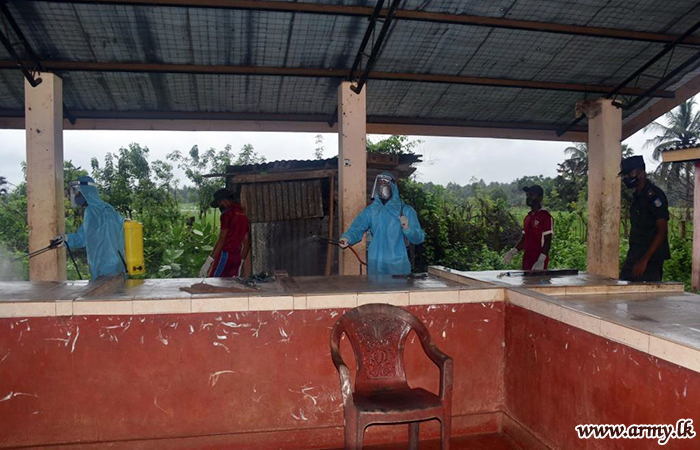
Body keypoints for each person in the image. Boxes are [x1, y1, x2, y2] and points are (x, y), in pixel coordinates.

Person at [338, 172, 424, 276]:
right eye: (380, 183)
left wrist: (408, 228)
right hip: (375, 264)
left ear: (393, 186)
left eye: (385, 183)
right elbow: (357, 228)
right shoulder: (371, 210)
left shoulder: (405, 210)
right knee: (375, 291)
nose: (382, 185)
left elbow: (419, 238)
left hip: (397, 264)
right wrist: (347, 238)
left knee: (399, 292)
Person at [51, 176, 126, 280]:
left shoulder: (99, 212)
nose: (75, 196)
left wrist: (66, 239)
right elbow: (84, 237)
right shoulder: (98, 210)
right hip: (108, 270)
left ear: (86, 191)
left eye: (77, 192)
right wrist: (65, 239)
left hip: (108, 270)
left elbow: (108, 244)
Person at [619, 155, 670, 282]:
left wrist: (645, 260)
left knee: (646, 297)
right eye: (624, 175)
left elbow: (662, 230)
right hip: (636, 253)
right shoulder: (637, 196)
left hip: (650, 258)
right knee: (625, 289)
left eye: (629, 174)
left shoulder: (654, 196)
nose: (626, 178)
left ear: (641, 173)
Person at [199, 188, 251, 278]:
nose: (220, 206)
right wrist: (241, 261)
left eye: (219, 203)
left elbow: (222, 239)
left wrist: (208, 262)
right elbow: (246, 241)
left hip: (225, 255)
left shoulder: (227, 215)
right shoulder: (243, 215)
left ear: (223, 201)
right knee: (230, 285)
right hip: (237, 257)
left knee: (213, 282)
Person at [503, 185, 553, 270]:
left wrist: (541, 260)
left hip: (538, 259)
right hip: (527, 259)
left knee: (536, 282)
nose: (528, 198)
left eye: (532, 195)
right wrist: (513, 252)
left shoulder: (545, 216)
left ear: (540, 198)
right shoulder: (528, 217)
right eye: (527, 195)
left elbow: (547, 240)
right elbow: (524, 239)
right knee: (525, 282)